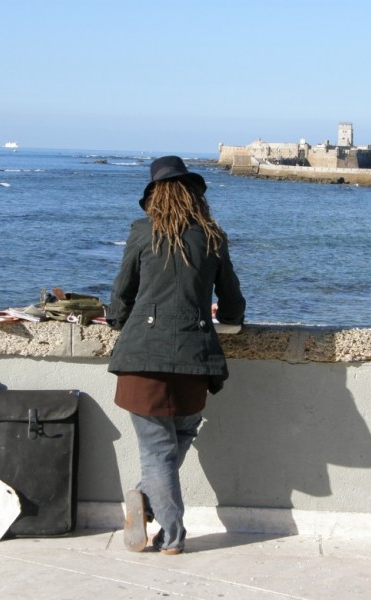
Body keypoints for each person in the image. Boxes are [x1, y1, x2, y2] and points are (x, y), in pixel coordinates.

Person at [106, 156, 246, 555]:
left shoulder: (141, 232)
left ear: (155, 197)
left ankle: (164, 525)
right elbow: (232, 301)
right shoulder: (212, 236)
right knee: (179, 434)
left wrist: (121, 323)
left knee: (158, 451)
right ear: (193, 196)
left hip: (140, 359)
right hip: (193, 356)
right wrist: (230, 319)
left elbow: (121, 297)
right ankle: (159, 515)